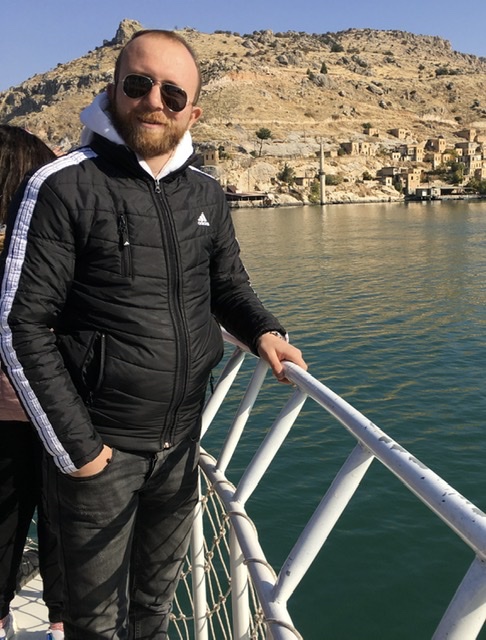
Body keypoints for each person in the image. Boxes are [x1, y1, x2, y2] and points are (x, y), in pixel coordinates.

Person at [0, 30, 307, 640]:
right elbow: (20, 324)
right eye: (138, 85)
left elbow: (229, 286)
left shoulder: (206, 192)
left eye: (172, 93)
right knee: (93, 624)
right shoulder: (62, 185)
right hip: (99, 450)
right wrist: (78, 450)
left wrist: (264, 331)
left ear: (193, 112)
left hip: (180, 445)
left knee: (152, 611)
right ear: (113, 90)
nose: (153, 101)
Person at [0, 125, 64, 640]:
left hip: (16, 412)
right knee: (69, 538)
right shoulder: (47, 246)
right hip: (58, 412)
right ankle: (64, 622)